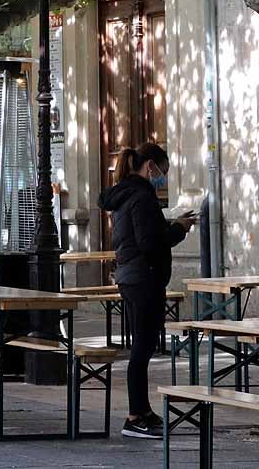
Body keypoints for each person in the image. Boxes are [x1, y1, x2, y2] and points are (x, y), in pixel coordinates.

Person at [98, 143, 196, 440]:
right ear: (150, 166)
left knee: (145, 346)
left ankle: (142, 411)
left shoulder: (129, 193)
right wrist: (178, 229)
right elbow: (149, 242)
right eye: (162, 172)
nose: (163, 178)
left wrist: (171, 223)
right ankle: (133, 417)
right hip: (143, 279)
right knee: (141, 349)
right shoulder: (141, 195)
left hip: (134, 277)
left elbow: (141, 232)